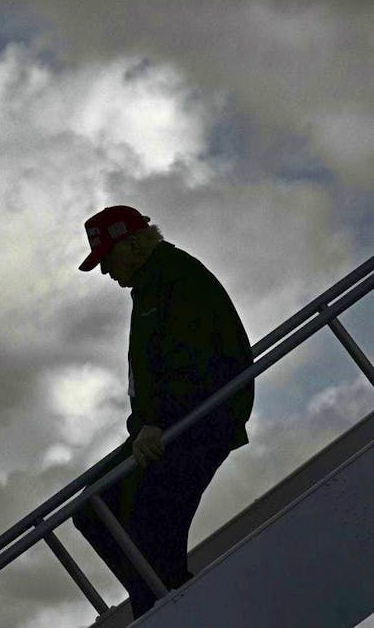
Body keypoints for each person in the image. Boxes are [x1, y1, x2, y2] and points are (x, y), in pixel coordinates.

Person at [70, 205, 254, 621]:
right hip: (180, 423)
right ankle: (164, 599)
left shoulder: (174, 277)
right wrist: (148, 425)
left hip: (197, 422)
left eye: (107, 260)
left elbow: (187, 357)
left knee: (120, 514)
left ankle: (164, 605)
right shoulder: (156, 281)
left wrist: (157, 423)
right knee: (104, 510)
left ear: (133, 246)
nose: (105, 273)